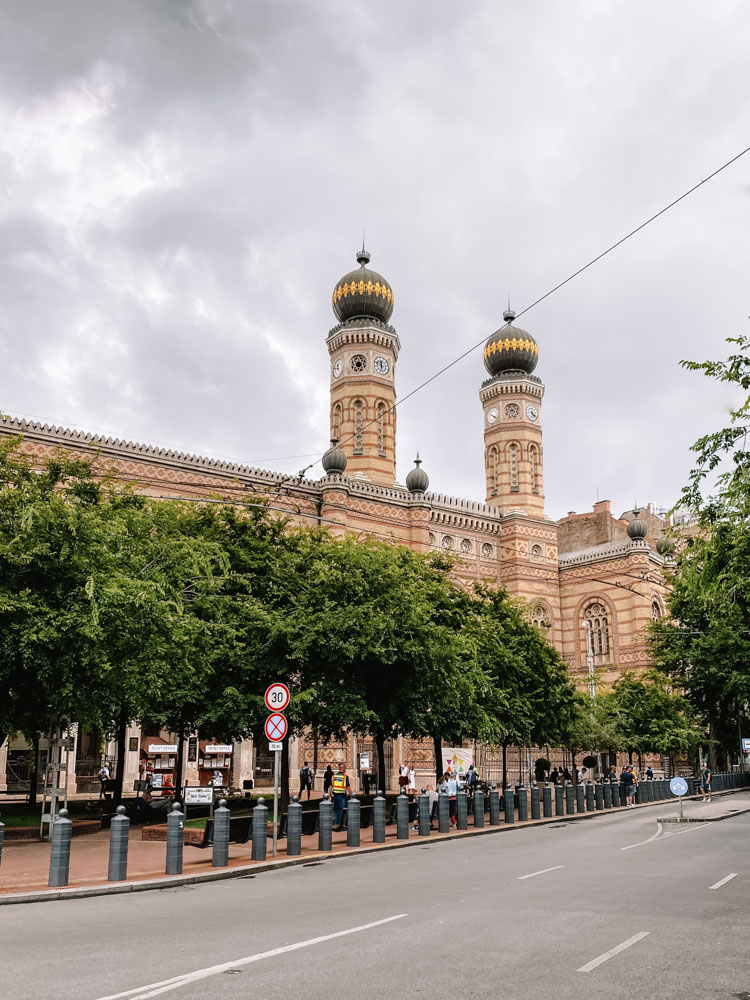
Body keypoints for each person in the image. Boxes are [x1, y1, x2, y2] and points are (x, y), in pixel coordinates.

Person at [330, 765, 350, 830]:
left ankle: (335, 824)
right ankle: (337, 824)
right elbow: (348, 787)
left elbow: (330, 786)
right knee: (341, 809)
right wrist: (352, 794)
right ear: (343, 769)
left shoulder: (334, 776)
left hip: (335, 795)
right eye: (345, 768)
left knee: (335, 809)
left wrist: (330, 794)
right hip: (342, 796)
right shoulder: (345, 777)